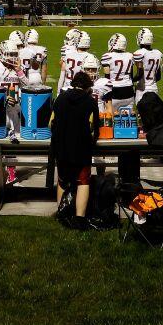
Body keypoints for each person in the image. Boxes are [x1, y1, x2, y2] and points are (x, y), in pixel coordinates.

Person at [49, 65, 103, 226]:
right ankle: (79, 217)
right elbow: (94, 129)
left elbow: (51, 123)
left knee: (62, 180)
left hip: (61, 147)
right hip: (81, 147)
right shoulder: (90, 101)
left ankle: (62, 212)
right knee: (83, 181)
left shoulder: (60, 99)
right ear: (88, 87)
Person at [133, 27, 163, 93]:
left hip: (142, 89)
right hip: (154, 89)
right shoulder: (158, 53)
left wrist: (130, 81)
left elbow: (139, 74)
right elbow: (158, 77)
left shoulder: (139, 53)